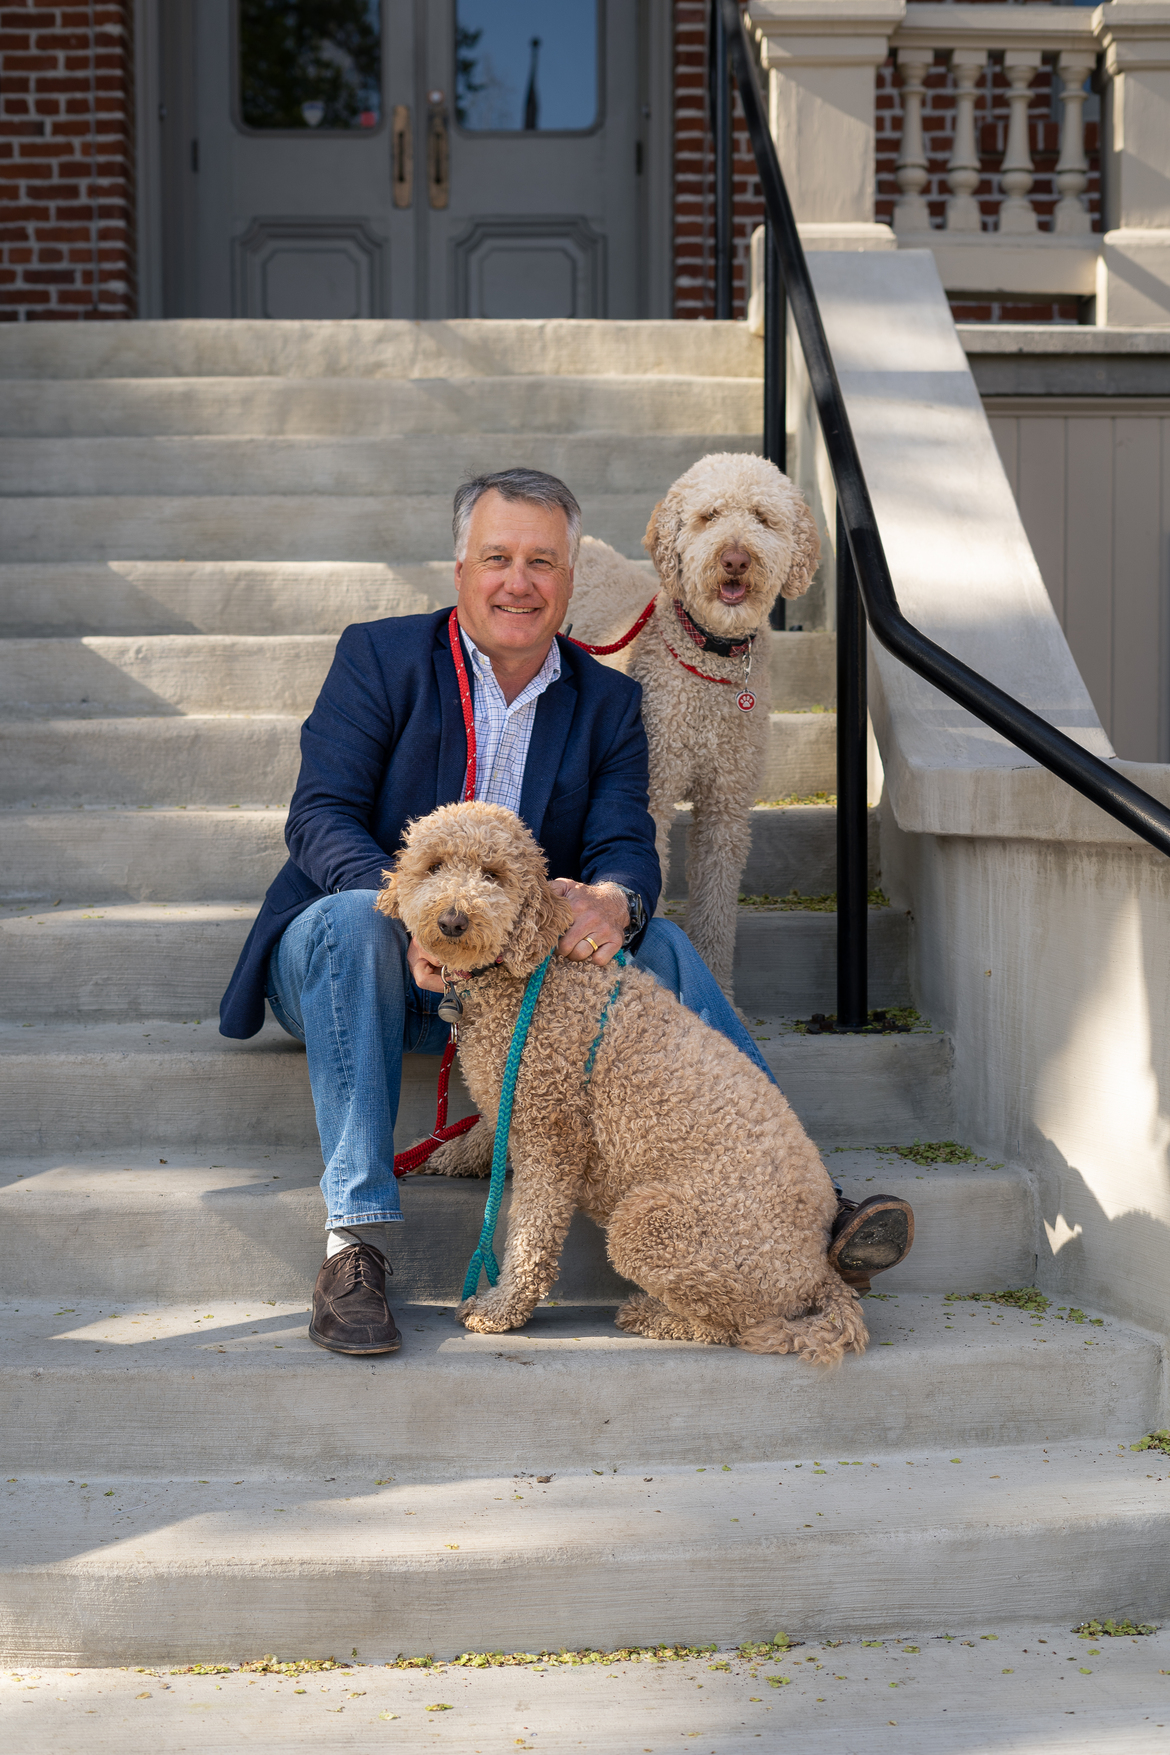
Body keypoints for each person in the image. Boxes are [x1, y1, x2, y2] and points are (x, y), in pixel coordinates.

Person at [220, 468, 910, 1356]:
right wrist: (404, 913)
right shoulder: (380, 656)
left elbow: (627, 842)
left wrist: (612, 898)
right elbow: (318, 816)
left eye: (542, 561)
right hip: (361, 967)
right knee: (354, 918)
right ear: (460, 566)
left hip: (512, 988)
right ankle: (355, 1245)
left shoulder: (611, 701)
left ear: (572, 578)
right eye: (498, 557)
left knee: (652, 940)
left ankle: (799, 1198)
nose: (520, 581)